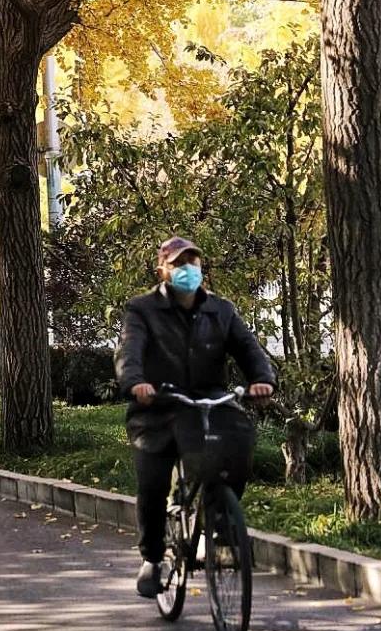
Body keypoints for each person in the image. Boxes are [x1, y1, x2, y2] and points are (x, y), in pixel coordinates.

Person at [114, 235, 276, 599]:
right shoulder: (142, 309)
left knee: (236, 444)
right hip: (158, 407)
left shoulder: (221, 310)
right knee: (153, 485)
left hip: (207, 401)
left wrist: (262, 379)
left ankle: (218, 520)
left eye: (193, 262)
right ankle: (153, 559)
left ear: (202, 268)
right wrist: (136, 382)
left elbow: (248, 348)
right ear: (163, 270)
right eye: (178, 263)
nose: (187, 269)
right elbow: (130, 351)